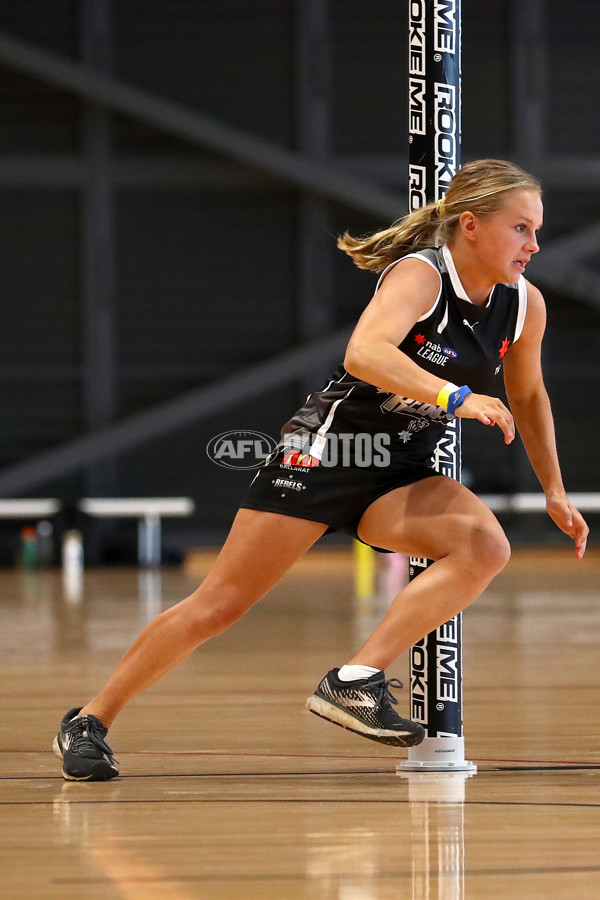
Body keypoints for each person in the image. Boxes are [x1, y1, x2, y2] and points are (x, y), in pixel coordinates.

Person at [53, 159, 589, 781]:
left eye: (537, 230)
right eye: (521, 228)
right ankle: (90, 719)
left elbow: (529, 397)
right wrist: (455, 398)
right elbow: (363, 352)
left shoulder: (525, 305)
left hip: (402, 468)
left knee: (483, 546)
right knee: (219, 605)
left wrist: (554, 490)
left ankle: (355, 679)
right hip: (327, 452)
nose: (534, 244)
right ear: (471, 225)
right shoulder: (421, 275)